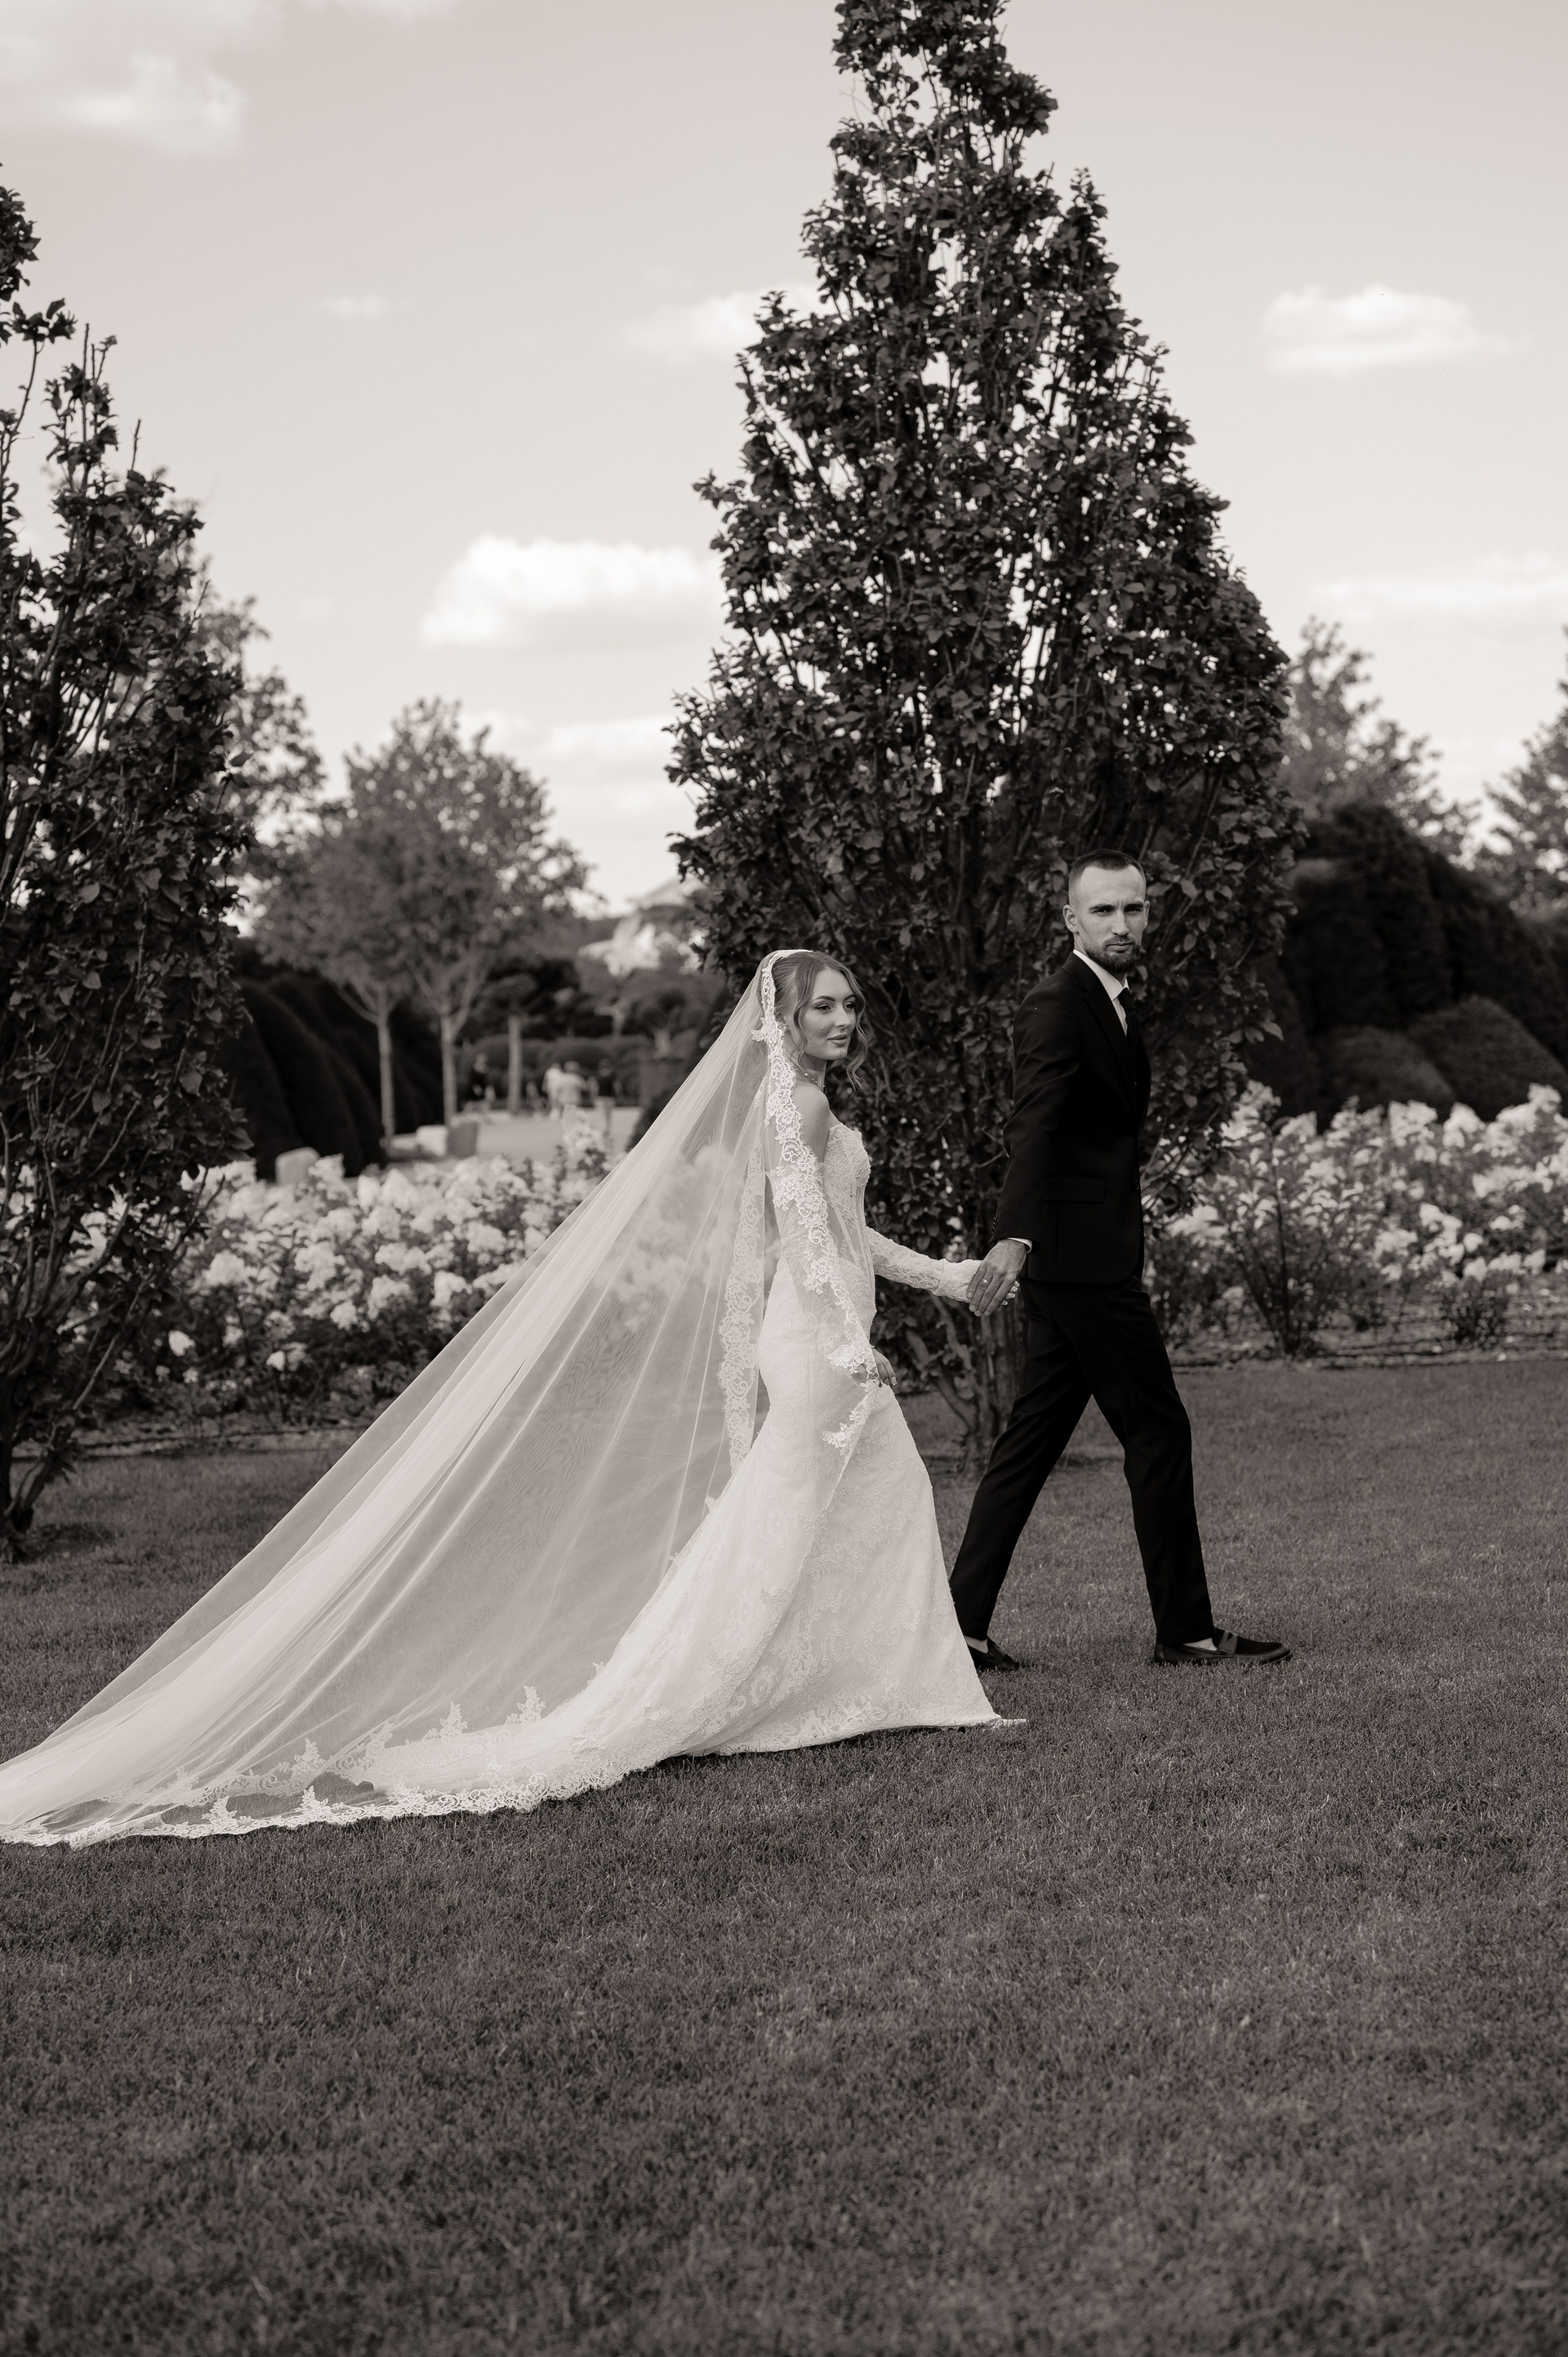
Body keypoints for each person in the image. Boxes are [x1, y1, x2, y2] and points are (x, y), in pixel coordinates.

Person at [0, 951, 1009, 1847]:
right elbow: (808, 1246)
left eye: (848, 1007)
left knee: (821, 1513)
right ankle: (739, 1691)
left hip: (827, 1341)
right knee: (816, 1512)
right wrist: (849, 1345)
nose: (843, 1020)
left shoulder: (803, 1107)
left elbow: (844, 1236)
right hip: (820, 1347)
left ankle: (842, 1683)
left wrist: (953, 1278)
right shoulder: (802, 1109)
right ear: (780, 1020)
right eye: (823, 1006)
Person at [952, 852, 1290, 1672]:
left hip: (1081, 1256)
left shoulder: (1111, 1001)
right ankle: (1187, 1632)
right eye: (1103, 910)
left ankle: (957, 1629)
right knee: (1158, 1430)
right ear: (1071, 919)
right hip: (1080, 1265)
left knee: (1029, 1444)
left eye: (1133, 909)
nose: (1122, 924)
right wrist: (1015, 1235)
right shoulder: (1057, 1004)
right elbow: (1034, 1126)